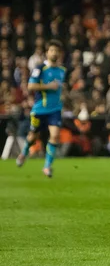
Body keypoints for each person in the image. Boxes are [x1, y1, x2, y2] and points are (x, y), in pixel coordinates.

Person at [16, 40, 66, 178]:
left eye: (57, 50)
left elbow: (61, 88)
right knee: (33, 136)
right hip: (40, 109)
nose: (54, 53)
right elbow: (31, 86)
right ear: (47, 52)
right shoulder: (40, 68)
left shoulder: (62, 70)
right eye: (52, 50)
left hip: (55, 110)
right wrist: (49, 87)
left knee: (55, 135)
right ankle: (23, 153)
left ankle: (47, 166)